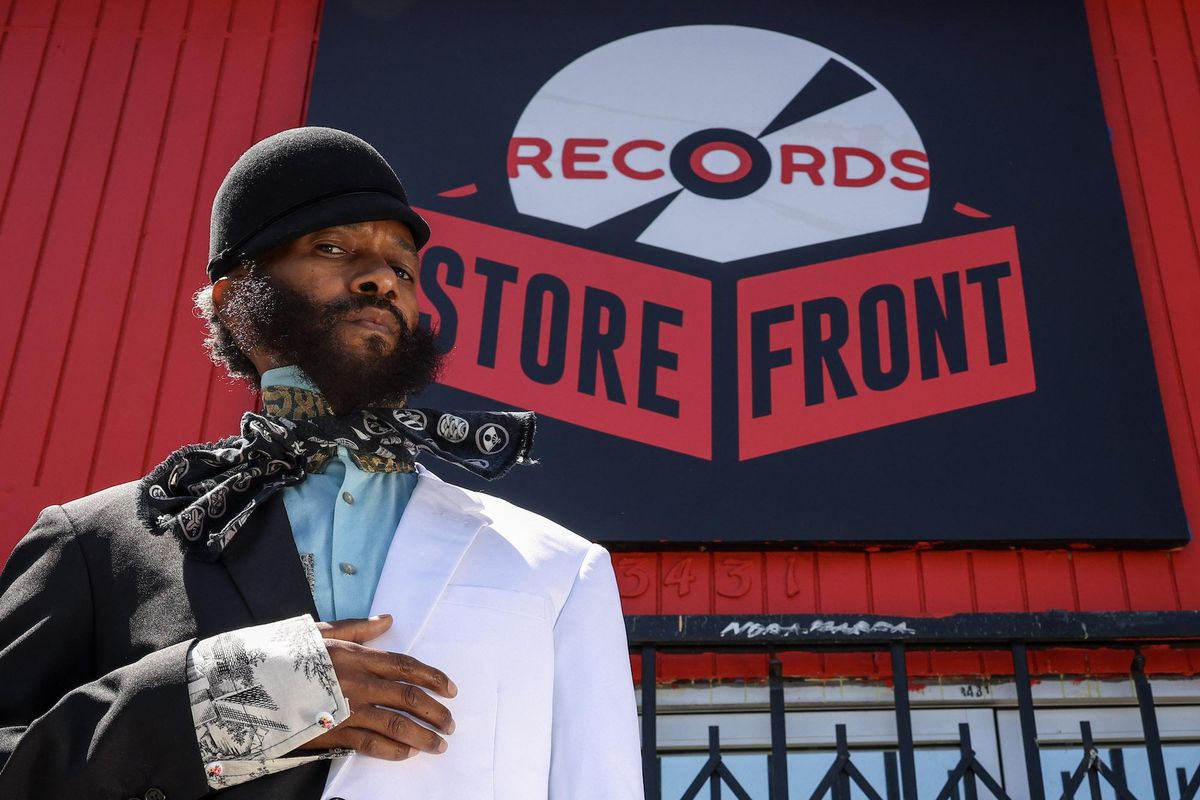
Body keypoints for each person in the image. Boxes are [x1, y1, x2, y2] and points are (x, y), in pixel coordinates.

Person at [0, 127, 643, 799]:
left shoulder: (559, 569)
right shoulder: (97, 544)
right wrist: (217, 706)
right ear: (233, 302)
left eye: (403, 268)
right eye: (330, 247)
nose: (380, 279)